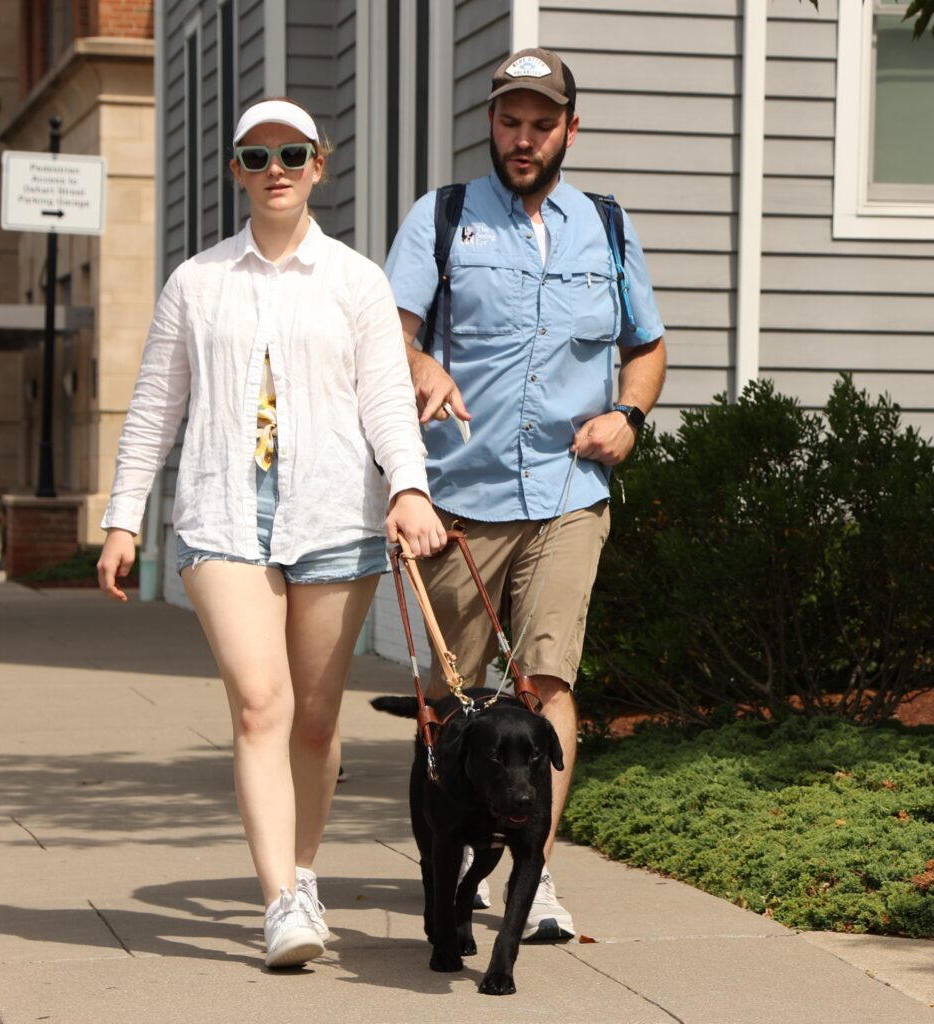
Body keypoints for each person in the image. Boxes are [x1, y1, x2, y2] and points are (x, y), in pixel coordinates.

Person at [96, 98, 446, 969]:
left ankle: (302, 868)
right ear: (236, 173)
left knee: (318, 725)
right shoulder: (198, 282)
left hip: (334, 514)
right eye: (258, 157)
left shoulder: (357, 281)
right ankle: (281, 902)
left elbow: (384, 401)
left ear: (319, 166)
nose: (277, 169)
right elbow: (153, 410)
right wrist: (120, 518)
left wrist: (408, 486)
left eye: (293, 154)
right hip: (223, 515)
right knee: (262, 704)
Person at [385, 48, 667, 942]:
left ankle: (531, 871)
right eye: (510, 119)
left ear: (569, 130)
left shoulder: (609, 227)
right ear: (493, 123)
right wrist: (420, 360)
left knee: (545, 681)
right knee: (454, 702)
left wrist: (628, 413)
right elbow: (386, 333)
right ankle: (447, 860)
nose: (524, 137)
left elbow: (648, 348)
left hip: (568, 495)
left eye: (542, 123)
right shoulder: (444, 219)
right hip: (459, 501)